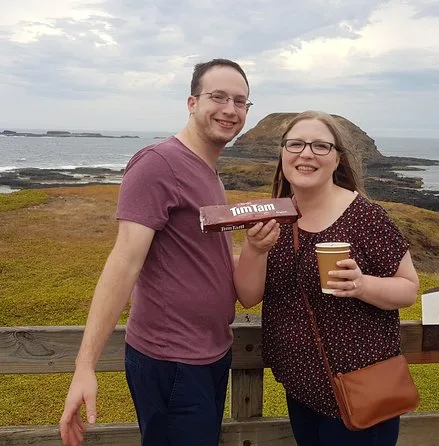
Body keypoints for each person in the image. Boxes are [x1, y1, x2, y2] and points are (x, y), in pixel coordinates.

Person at [59, 58, 276, 446]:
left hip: (212, 354)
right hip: (171, 360)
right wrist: (85, 366)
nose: (230, 109)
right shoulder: (158, 163)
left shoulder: (208, 171)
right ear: (192, 103)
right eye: (218, 97)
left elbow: (209, 267)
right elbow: (124, 263)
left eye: (240, 101)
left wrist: (258, 250)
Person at [234, 110, 420, 445]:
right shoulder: (276, 215)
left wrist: (363, 285)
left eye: (320, 146)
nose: (306, 154)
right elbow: (248, 296)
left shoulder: (365, 217)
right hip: (301, 390)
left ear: (337, 159)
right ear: (283, 154)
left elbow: (408, 289)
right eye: (296, 144)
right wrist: (255, 249)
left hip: (361, 392)